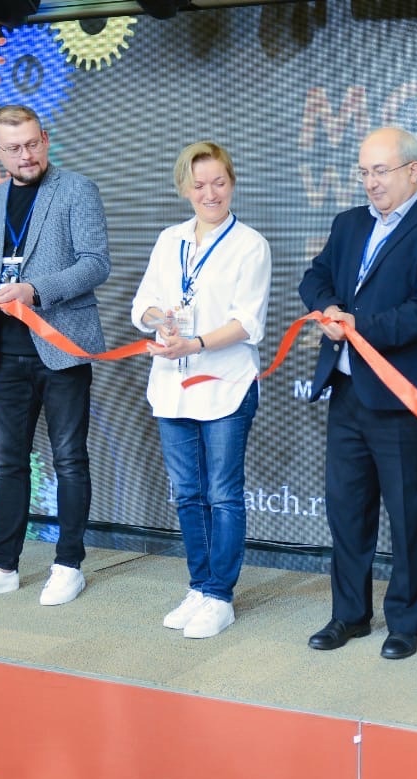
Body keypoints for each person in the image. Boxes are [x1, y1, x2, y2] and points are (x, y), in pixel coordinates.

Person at [298, 127, 417, 660]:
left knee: (407, 512)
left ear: (413, 171)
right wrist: (329, 309)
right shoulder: (349, 223)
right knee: (347, 510)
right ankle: (349, 615)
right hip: (347, 389)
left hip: (402, 398)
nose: (371, 183)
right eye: (365, 172)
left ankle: (406, 621)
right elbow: (314, 278)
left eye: (381, 171)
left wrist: (358, 325)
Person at [0, 104, 111, 606]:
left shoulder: (77, 189)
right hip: (5, 351)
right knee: (8, 464)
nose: (26, 155)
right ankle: (2, 565)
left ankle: (68, 564)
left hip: (61, 347)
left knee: (69, 459)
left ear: (46, 139)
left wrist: (35, 290)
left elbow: (96, 264)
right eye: (14, 148)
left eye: (33, 143)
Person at [130, 142, 271, 638]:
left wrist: (194, 342)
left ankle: (219, 596)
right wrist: (160, 319)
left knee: (223, 494)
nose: (210, 193)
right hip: (172, 387)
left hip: (225, 385)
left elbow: (247, 323)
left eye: (219, 182)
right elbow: (142, 304)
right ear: (184, 189)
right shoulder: (169, 240)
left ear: (231, 183)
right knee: (188, 493)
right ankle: (199, 585)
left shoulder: (250, 245)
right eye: (199, 184)